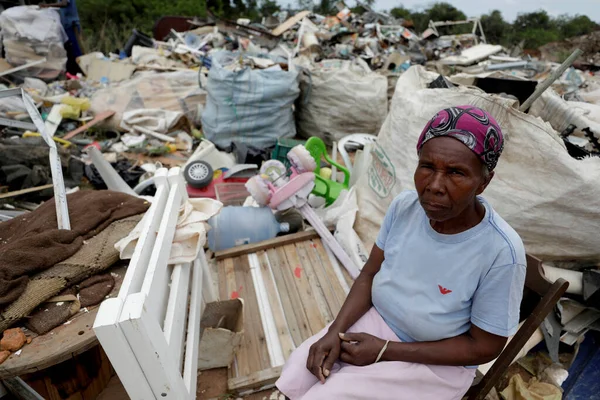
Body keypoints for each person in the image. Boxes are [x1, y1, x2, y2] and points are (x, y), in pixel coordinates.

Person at [276, 105, 527, 400]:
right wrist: (335, 330)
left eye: (456, 173)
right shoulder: (405, 207)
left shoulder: (500, 252)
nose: (434, 186)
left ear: (484, 181)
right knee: (300, 370)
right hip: (375, 324)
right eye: (427, 167)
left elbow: (484, 347)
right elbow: (370, 273)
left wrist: (386, 352)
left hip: (436, 363)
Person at [39, 0, 83, 74]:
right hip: (66, 26)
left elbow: (64, 4)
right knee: (68, 51)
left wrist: (47, 5)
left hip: (71, 25)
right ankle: (72, 73)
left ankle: (81, 70)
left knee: (74, 50)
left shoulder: (62, 2)